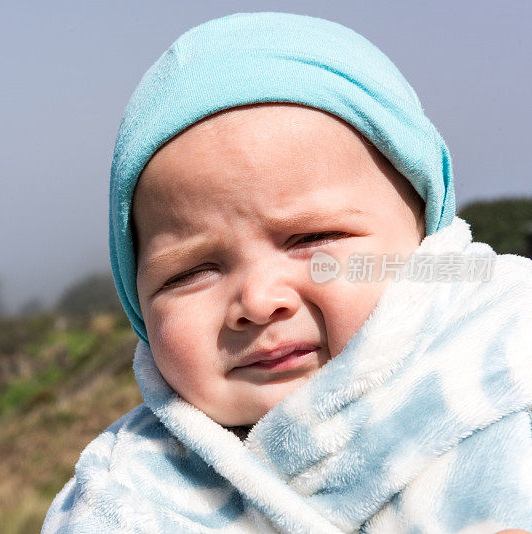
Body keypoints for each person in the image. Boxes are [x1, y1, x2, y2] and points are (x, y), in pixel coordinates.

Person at [42, 12, 532, 533]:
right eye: (190, 273)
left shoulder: (509, 360)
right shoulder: (125, 490)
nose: (257, 300)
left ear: (425, 236)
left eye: (313, 239)